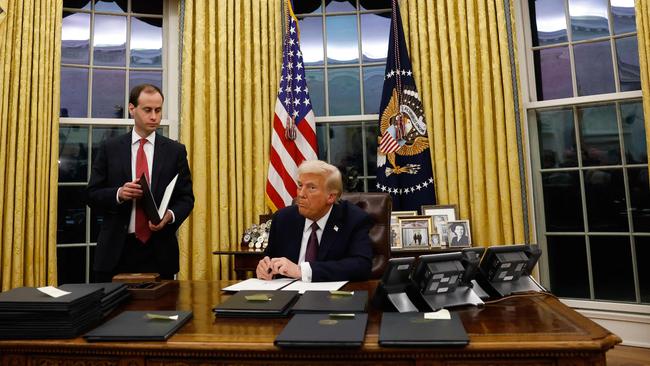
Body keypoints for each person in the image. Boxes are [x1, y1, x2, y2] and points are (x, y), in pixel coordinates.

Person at [87, 84, 194, 282]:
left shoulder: (175, 151)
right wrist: (119, 193)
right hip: (116, 251)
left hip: (159, 251)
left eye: (158, 110)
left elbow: (186, 198)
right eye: (147, 110)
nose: (154, 116)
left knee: (161, 312)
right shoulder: (110, 148)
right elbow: (92, 194)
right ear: (131, 109)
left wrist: (169, 216)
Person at [256, 160, 373, 282]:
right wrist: (265, 268)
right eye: (300, 185)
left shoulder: (353, 219)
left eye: (311, 188)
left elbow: (361, 266)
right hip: (288, 296)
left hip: (331, 298)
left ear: (331, 197)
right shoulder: (283, 218)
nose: (301, 194)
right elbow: (270, 258)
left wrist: (301, 271)